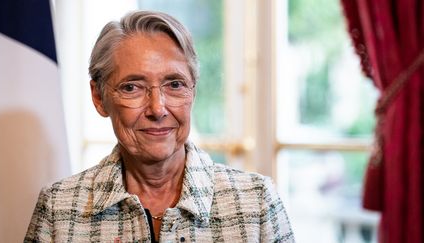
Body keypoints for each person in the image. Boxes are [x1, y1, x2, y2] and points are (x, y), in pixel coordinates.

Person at [24, 10, 295, 242]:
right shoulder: (58, 208)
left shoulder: (257, 202)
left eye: (174, 84)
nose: (157, 109)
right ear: (99, 97)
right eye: (132, 87)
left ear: (193, 92)